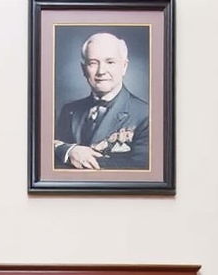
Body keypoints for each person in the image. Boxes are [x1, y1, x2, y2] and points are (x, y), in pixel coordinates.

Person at [53, 32, 149, 171]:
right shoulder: (69, 110)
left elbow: (142, 172)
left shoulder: (146, 115)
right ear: (83, 69)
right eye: (93, 63)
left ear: (124, 67)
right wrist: (69, 151)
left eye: (110, 62)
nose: (101, 71)